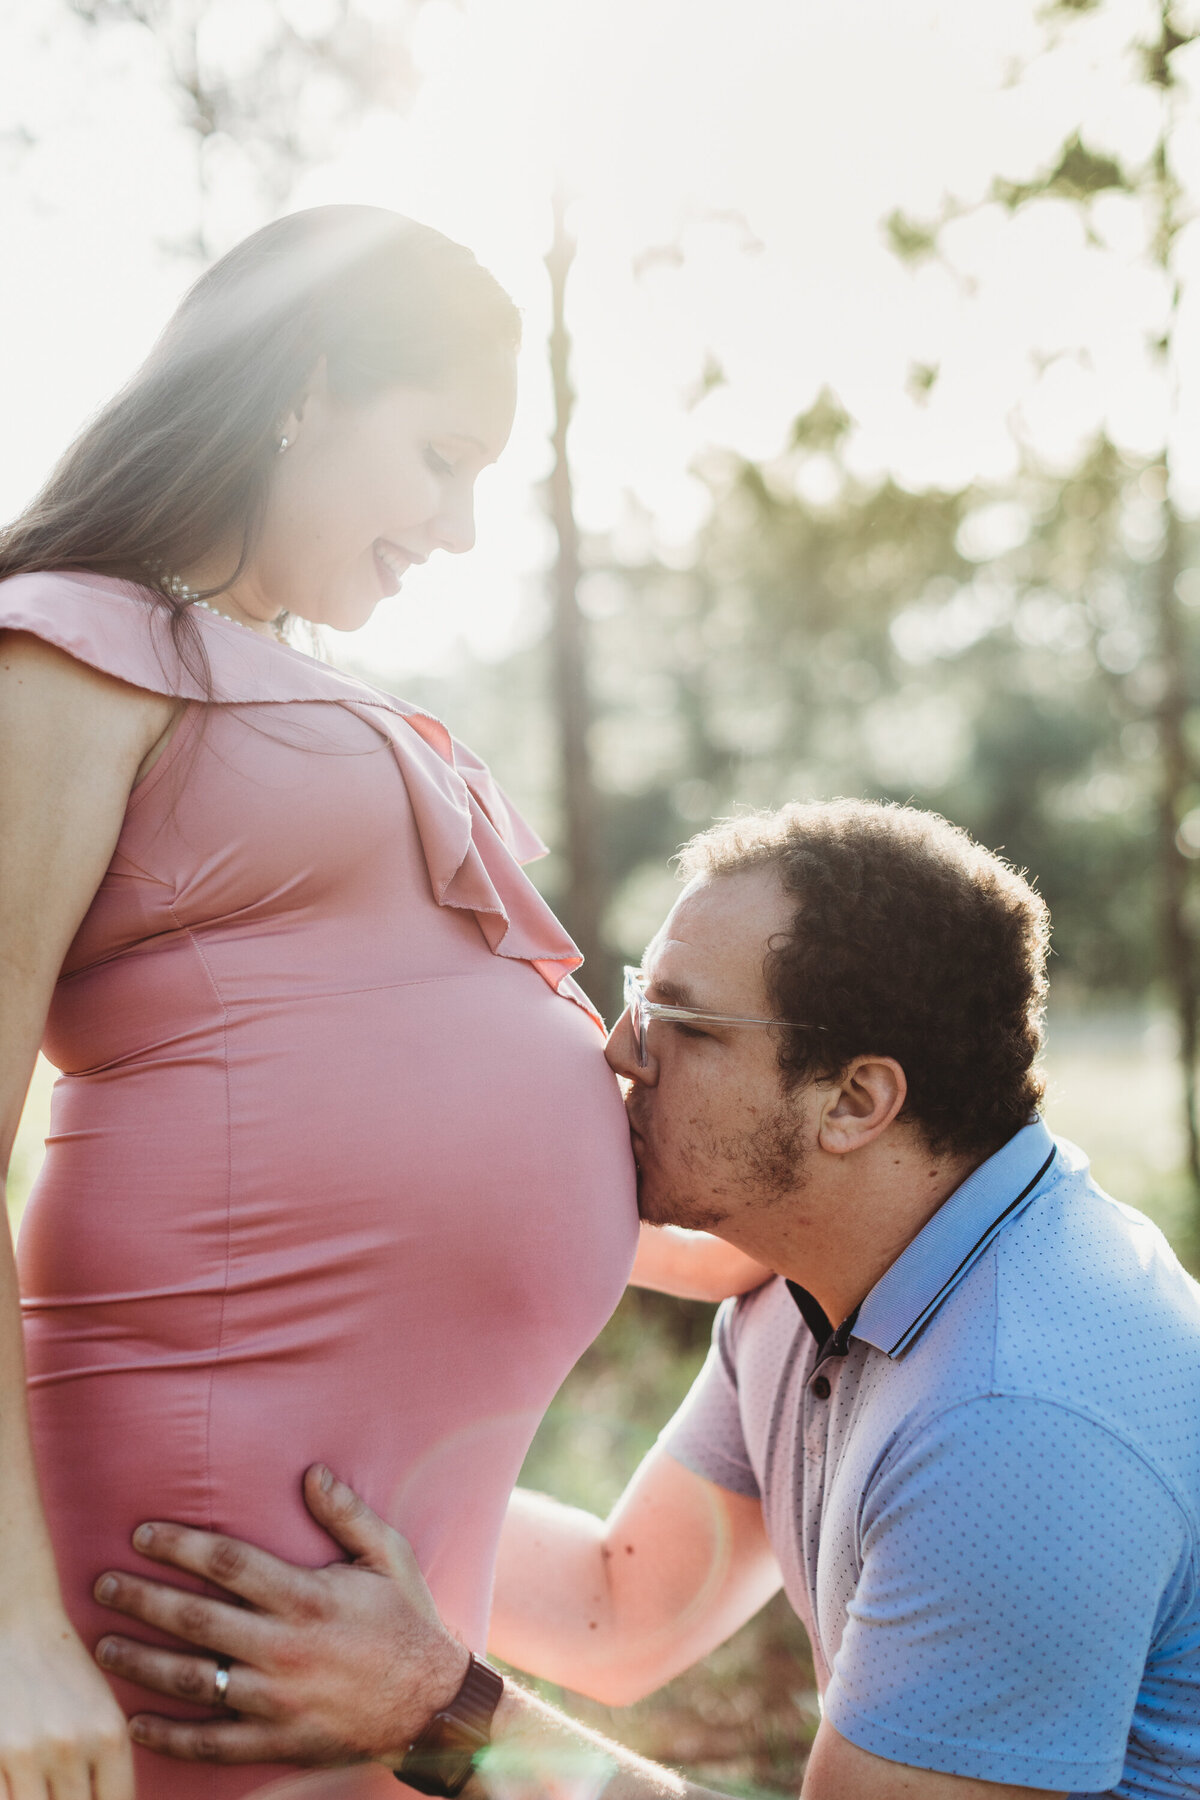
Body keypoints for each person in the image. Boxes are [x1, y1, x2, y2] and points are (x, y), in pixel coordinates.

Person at [0, 204, 763, 1800]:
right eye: (442, 454)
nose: (463, 526)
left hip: (384, 1594)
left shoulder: (289, 675)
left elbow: (364, 1108)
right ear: (311, 384)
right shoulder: (74, 648)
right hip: (186, 1574)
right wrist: (8, 1631)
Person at [92, 801, 1200, 1798]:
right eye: (638, 998)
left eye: (684, 1021)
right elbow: (618, 1608)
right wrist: (246, 1481)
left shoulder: (1020, 1422)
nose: (622, 1052)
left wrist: (440, 1714)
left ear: (855, 1100)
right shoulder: (824, 1276)